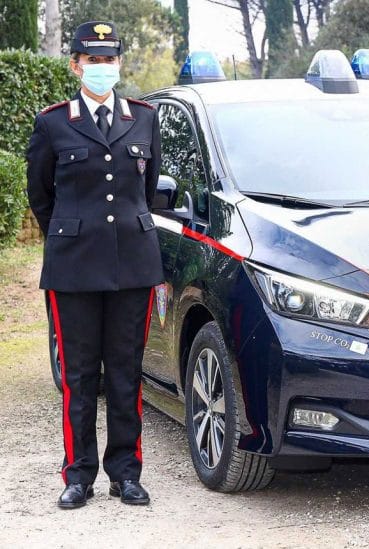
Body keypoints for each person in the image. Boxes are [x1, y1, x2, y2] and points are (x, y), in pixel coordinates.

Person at [26, 21, 163, 508]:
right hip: (74, 267)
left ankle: (126, 472)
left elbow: (147, 196)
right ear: (76, 65)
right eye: (93, 60)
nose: (102, 68)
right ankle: (78, 475)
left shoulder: (144, 118)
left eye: (109, 60)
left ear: (118, 64)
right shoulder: (53, 123)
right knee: (80, 376)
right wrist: (72, 234)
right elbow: (40, 195)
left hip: (134, 265)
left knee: (126, 372)